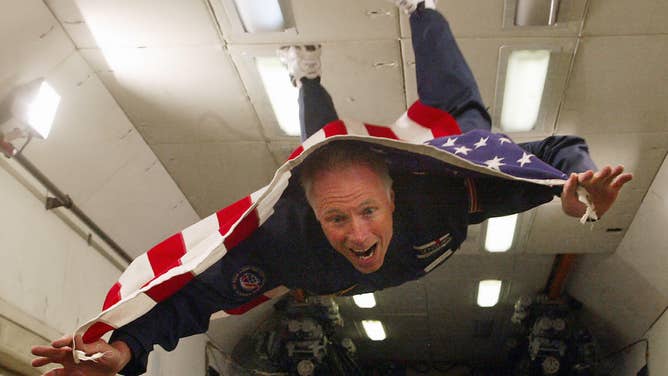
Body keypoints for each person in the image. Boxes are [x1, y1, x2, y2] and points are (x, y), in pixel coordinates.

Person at [31, 1, 632, 375]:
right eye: (336, 219)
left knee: (464, 112)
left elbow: (556, 155)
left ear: (394, 196)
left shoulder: (447, 192)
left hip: (444, 166)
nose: (359, 234)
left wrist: (571, 189)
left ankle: (420, 7)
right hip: (318, 196)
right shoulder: (283, 243)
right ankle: (306, 76)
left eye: (367, 210)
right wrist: (127, 348)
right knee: (319, 139)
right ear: (311, 216)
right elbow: (192, 297)